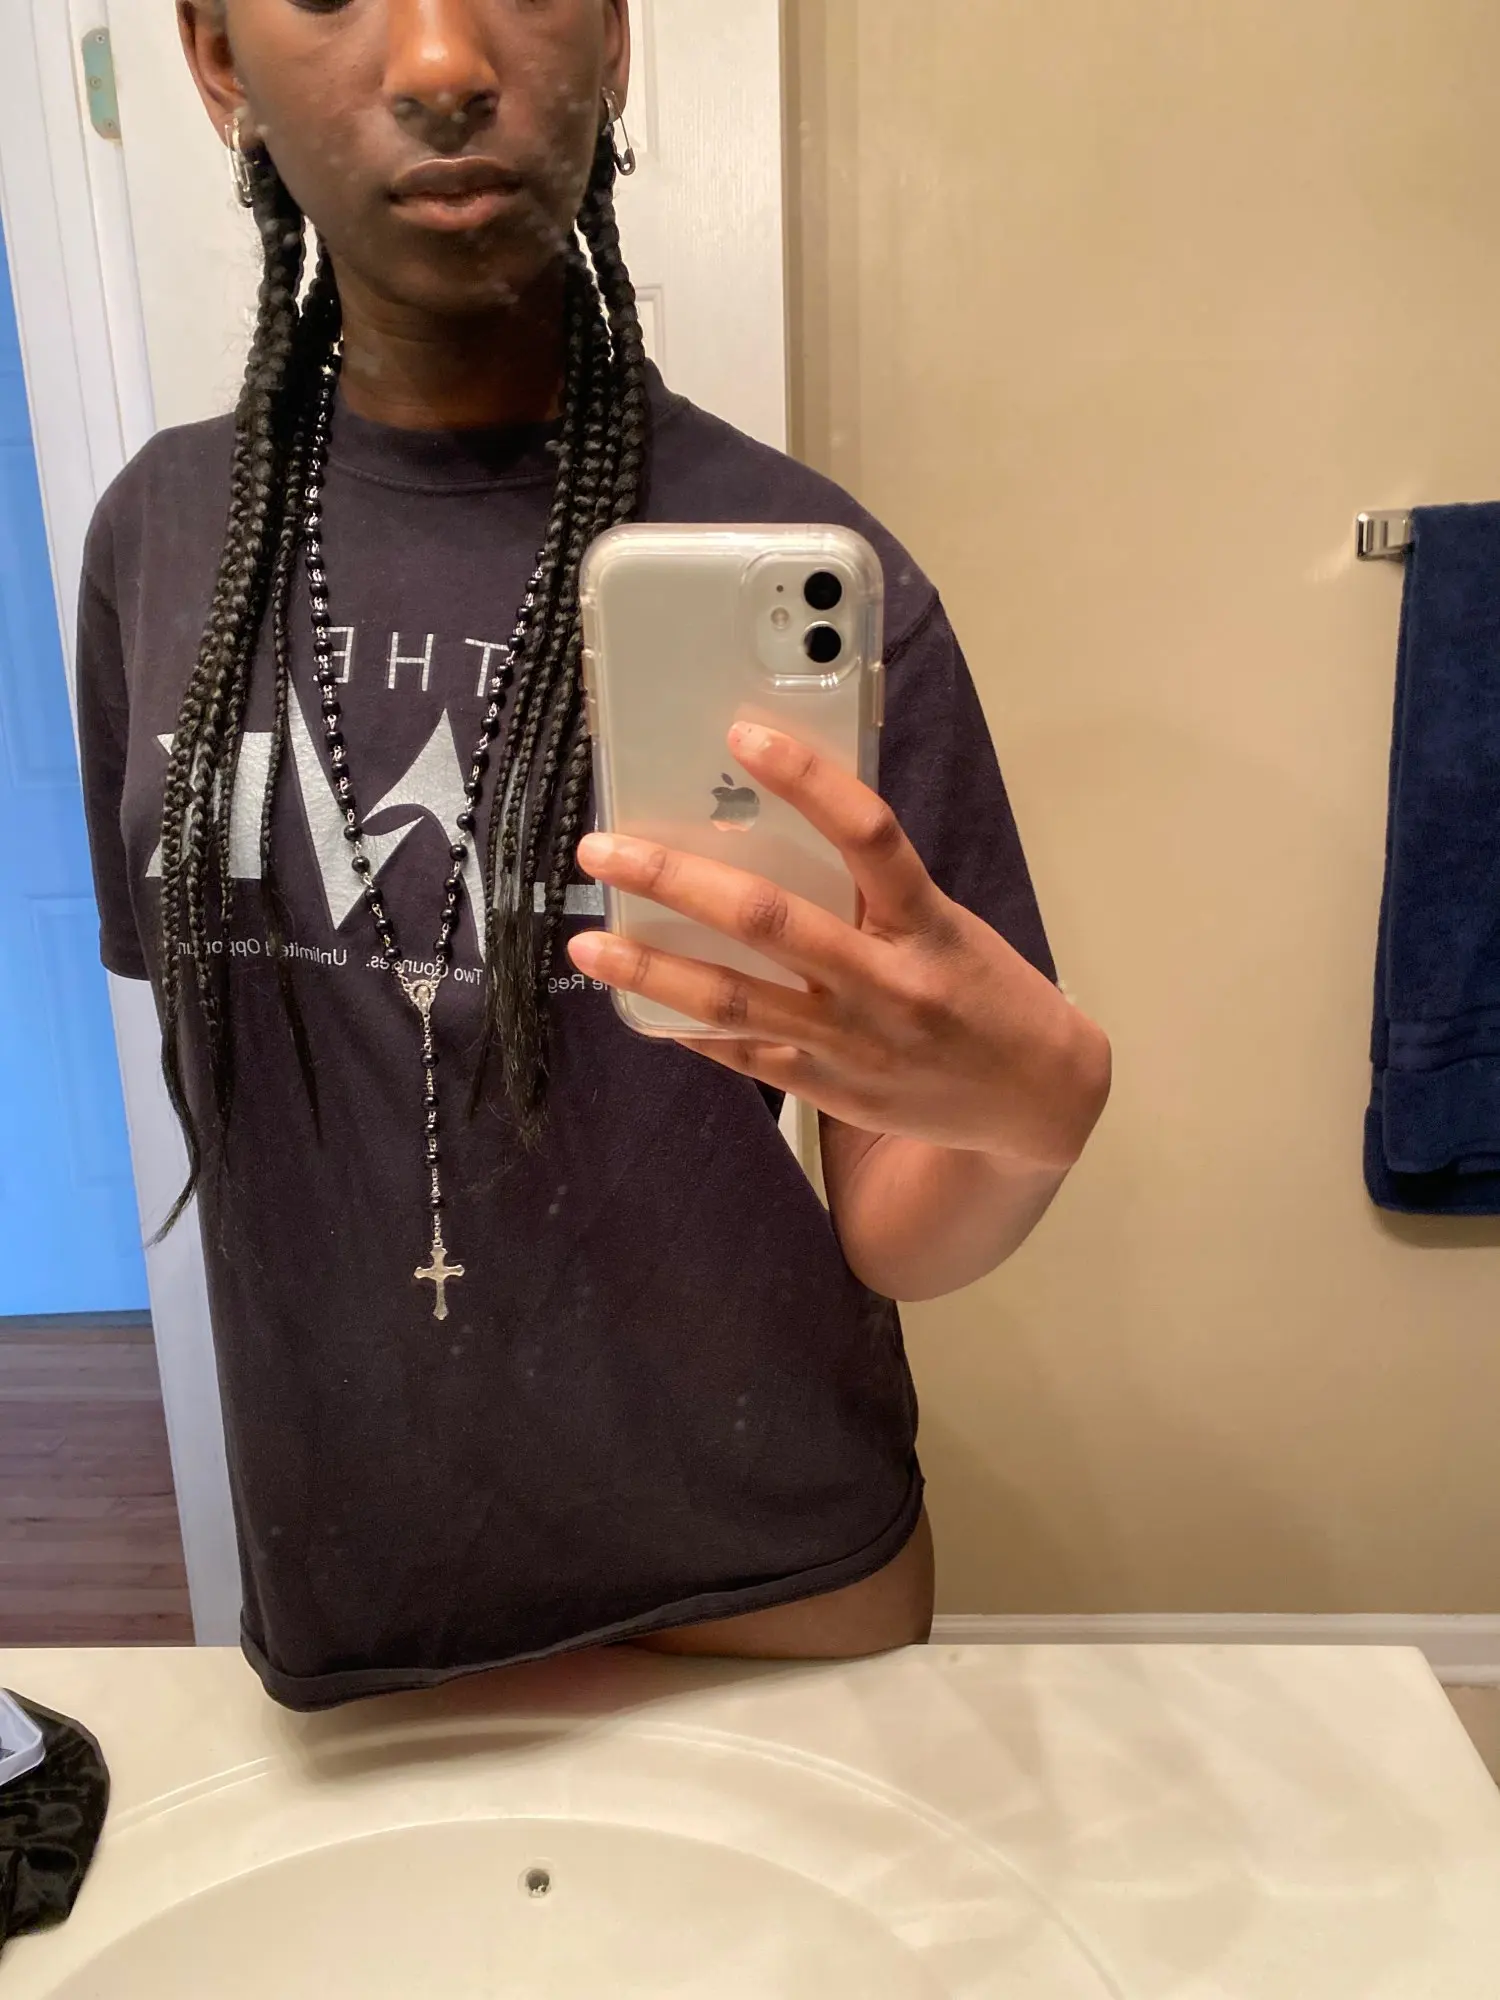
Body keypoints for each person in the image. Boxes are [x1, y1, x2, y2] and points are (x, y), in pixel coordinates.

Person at [77, 0, 1110, 1711]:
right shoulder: (159, 544)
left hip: (767, 1585)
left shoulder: (809, 578)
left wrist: (1032, 1117)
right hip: (361, 1594)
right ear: (216, 60)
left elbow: (894, 1232)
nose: (440, 61)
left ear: (617, 37)